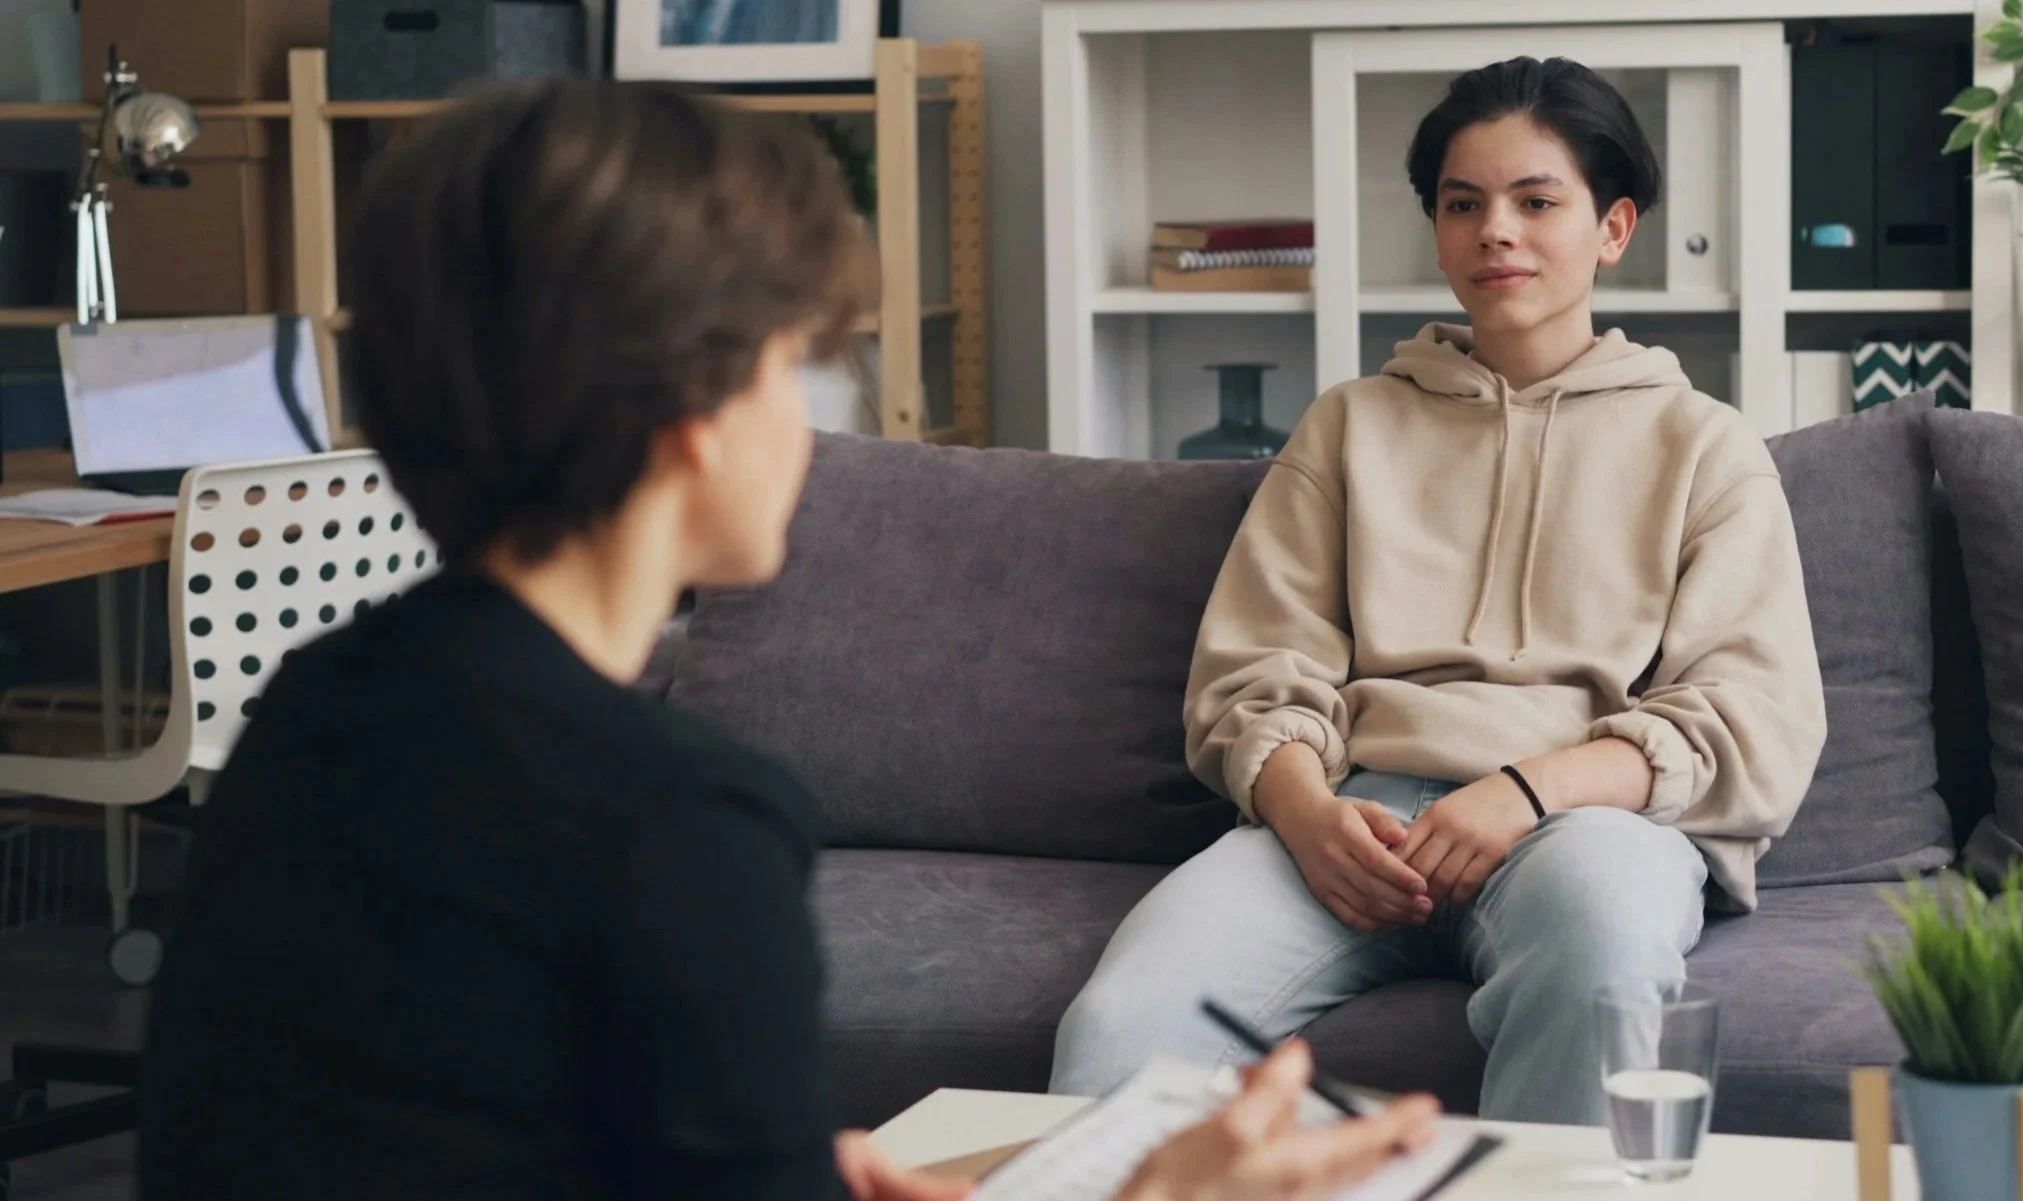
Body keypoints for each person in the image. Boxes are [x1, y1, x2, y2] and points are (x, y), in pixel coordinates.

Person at [133, 80, 1439, 1201]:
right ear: (689, 417)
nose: (815, 423)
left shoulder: (319, 706)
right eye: (795, 368)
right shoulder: (677, 818)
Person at [1050, 56, 1827, 1124]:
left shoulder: (1704, 447)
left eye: (1536, 200)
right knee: (1120, 1028)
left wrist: (1526, 789)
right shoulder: (1350, 425)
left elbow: (1749, 716)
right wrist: (1308, 812)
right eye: (1463, 204)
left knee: (1605, 964)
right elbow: (1256, 667)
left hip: (1579, 827)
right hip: (1352, 816)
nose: (1494, 231)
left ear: (1614, 227)